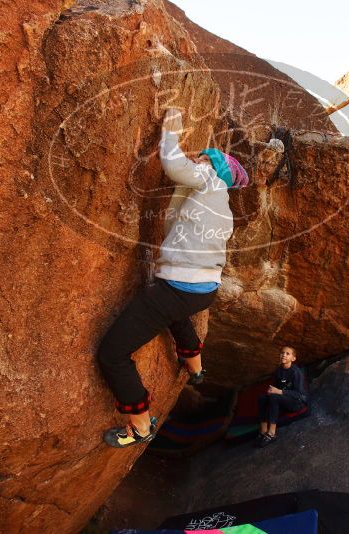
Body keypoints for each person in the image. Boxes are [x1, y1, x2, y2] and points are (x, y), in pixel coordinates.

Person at [98, 108, 250, 448]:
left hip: (178, 287)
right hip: (203, 289)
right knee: (178, 318)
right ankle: (196, 370)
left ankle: (139, 426)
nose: (198, 161)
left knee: (112, 355)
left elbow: (174, 166)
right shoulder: (221, 202)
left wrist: (171, 129)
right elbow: (177, 212)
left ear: (214, 168)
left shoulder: (209, 179)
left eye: (205, 159)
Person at [256, 346, 308, 448]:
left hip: (296, 402)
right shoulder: (279, 370)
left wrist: (278, 391)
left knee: (274, 397)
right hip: (283, 398)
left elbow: (299, 395)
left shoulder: (296, 373)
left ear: (293, 358)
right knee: (262, 398)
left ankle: (271, 433)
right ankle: (263, 430)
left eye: (287, 354)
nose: (284, 355)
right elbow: (277, 387)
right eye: (282, 353)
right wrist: (272, 390)